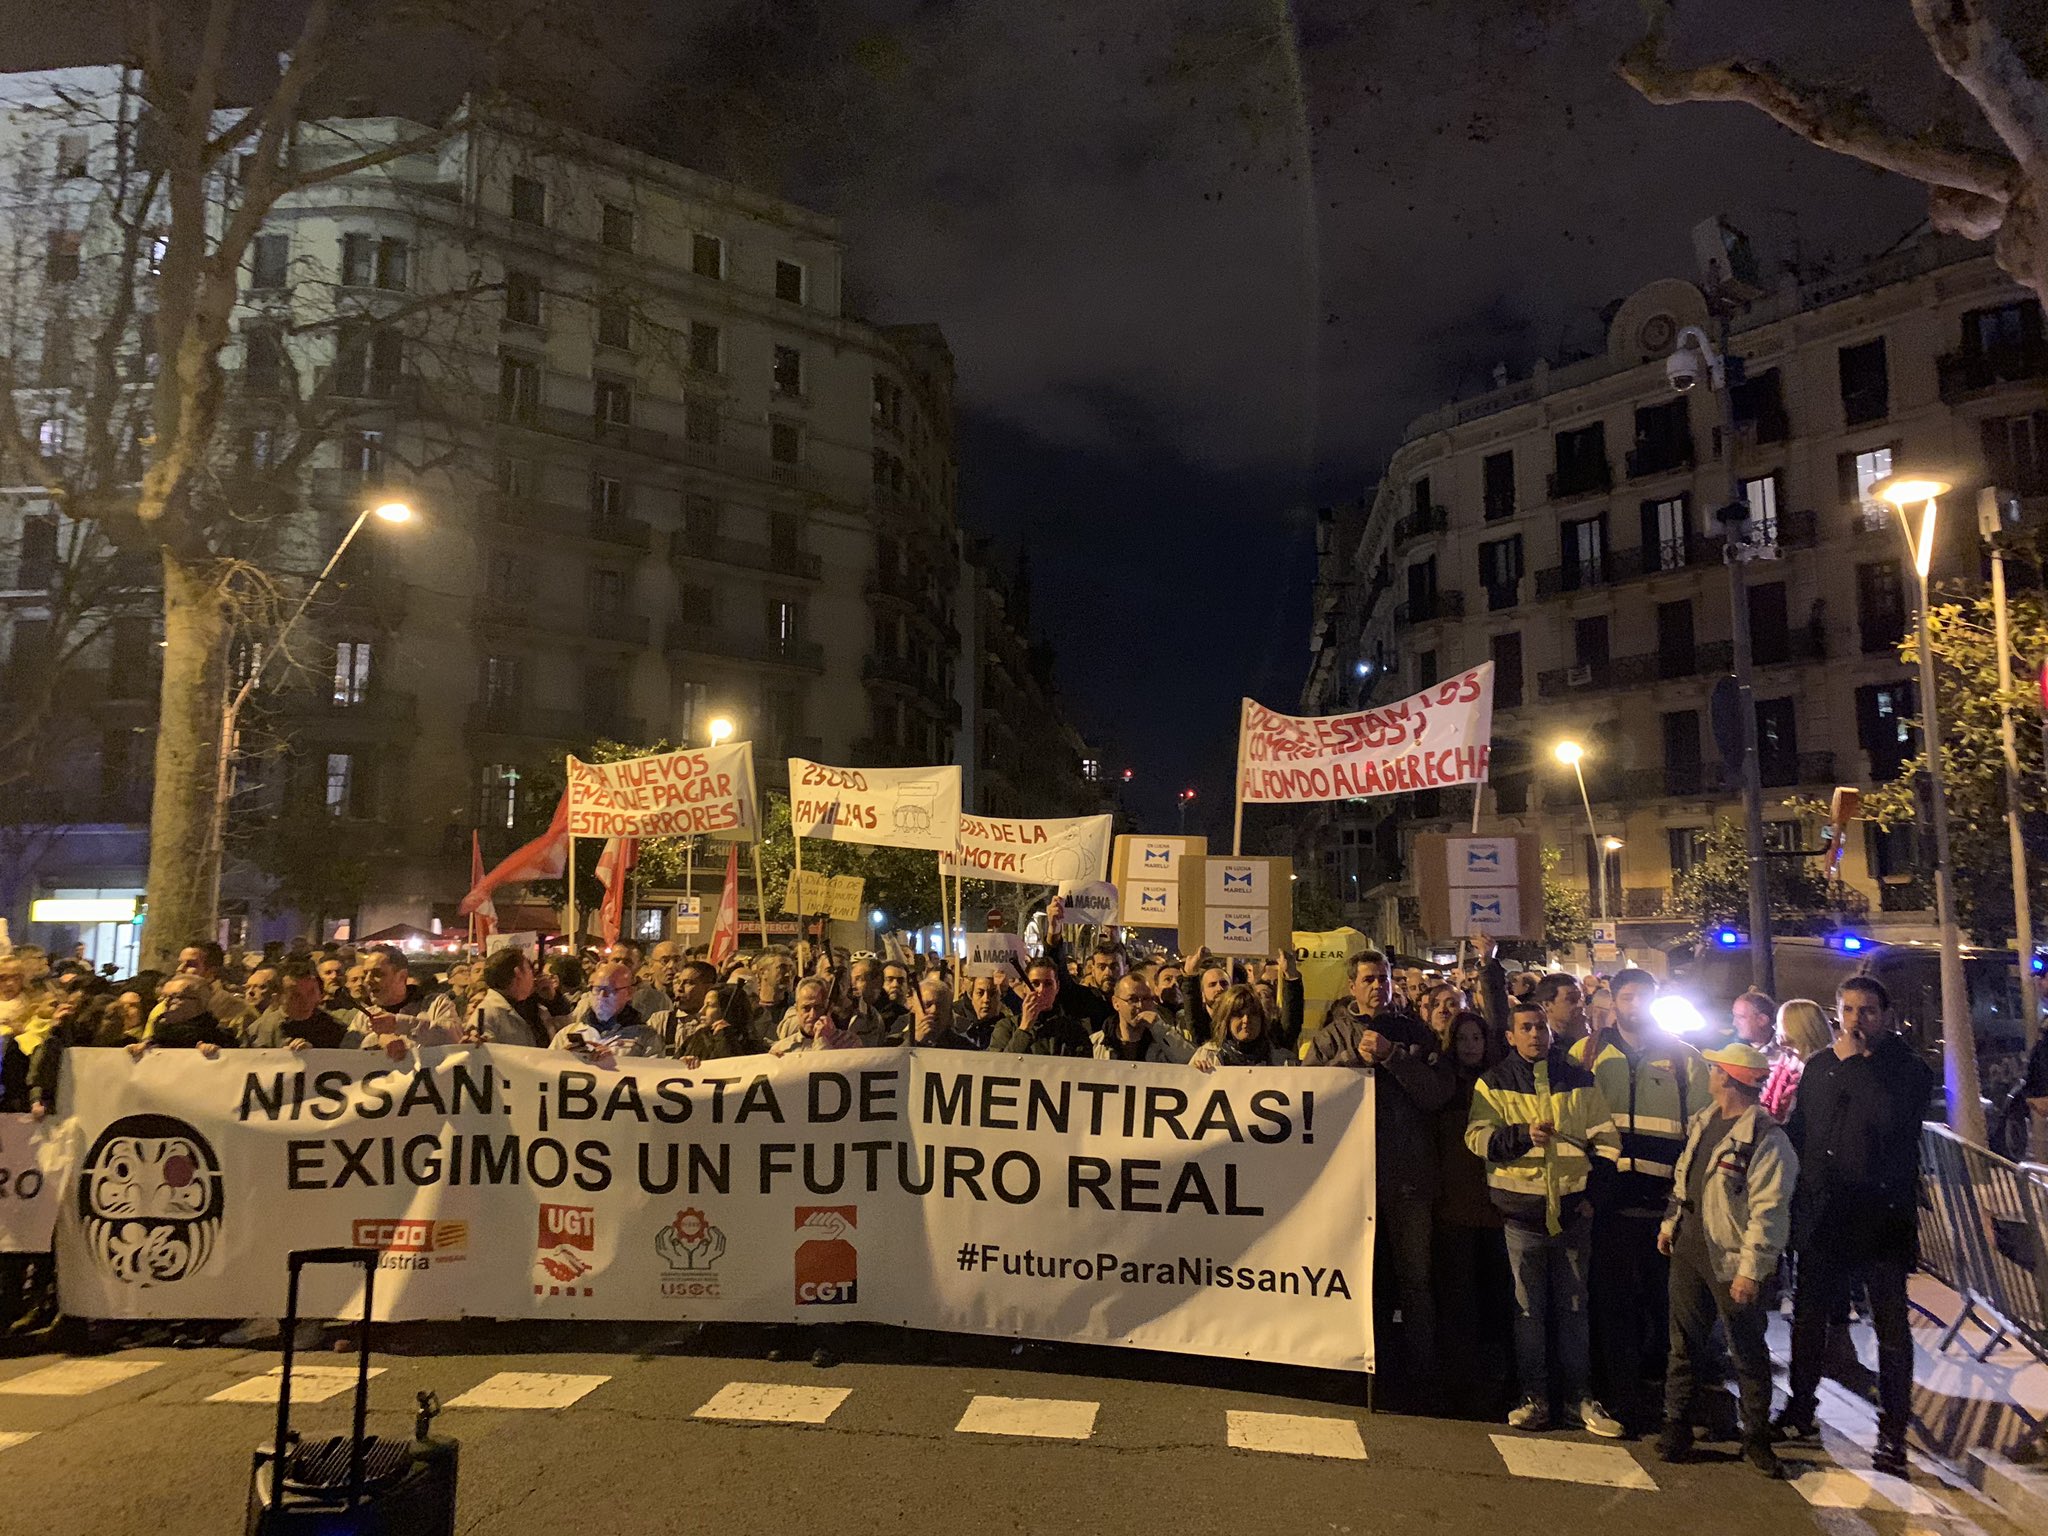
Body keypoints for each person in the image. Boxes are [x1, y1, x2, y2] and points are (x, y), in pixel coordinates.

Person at [1775, 976, 1933, 1478]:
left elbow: (1892, 1124)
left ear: (1886, 1015)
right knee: (1808, 1316)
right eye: (1848, 1010)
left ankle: (1892, 1433)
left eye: (1867, 1011)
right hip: (1824, 1212)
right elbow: (1804, 1130)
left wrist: (1858, 1067)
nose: (1856, 1020)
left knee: (1888, 1327)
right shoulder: (1821, 1065)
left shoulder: (1908, 1071)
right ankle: (1800, 1408)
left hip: (1880, 1216)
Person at [1466, 997, 1624, 1436]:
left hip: (1573, 1215)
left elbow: (1607, 1143)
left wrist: (1593, 1196)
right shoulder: (1493, 1082)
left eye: (1540, 1027)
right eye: (1526, 1028)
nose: (1535, 1034)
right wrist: (1520, 1136)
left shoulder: (1579, 1081)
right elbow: (1477, 1138)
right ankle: (1534, 1397)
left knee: (1574, 1310)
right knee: (1528, 1314)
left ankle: (1579, 1399)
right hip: (1521, 1218)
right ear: (1511, 1036)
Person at [1306, 950, 1455, 1394]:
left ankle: (1421, 1370)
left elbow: (1436, 1094)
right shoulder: (1330, 1038)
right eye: (1369, 979)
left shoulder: (1416, 1034)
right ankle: (1354, 1364)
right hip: (1350, 1181)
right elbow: (1307, 1093)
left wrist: (1393, 1057)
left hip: (1408, 1178)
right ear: (1352, 986)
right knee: (1352, 1278)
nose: (1378, 986)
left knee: (1416, 1281)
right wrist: (1349, 1061)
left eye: (1384, 979)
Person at [1656, 1041, 1798, 1477]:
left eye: (1715, 1069)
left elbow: (1768, 1212)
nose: (1710, 1074)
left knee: (1747, 1349)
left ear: (1728, 1079)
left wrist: (1750, 1271)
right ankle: (1675, 1425)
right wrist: (1670, 1223)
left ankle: (1755, 1437)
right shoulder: (1706, 1121)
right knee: (1684, 1342)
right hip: (1691, 1248)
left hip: (1730, 1259)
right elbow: (1687, 1178)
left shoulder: (1766, 1141)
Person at [1584, 966, 1712, 1434]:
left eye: (1645, 997)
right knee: (1613, 1306)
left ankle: (1670, 1399)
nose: (1636, 1005)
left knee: (1668, 1310)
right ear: (1613, 1002)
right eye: (1628, 997)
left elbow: (1700, 1136)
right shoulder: (1589, 1053)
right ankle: (1620, 1397)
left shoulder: (1687, 1060)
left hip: (1665, 1209)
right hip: (1610, 1206)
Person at [1434, 1009, 1512, 1418]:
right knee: (1458, 1301)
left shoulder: (1499, 1086)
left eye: (1476, 1040)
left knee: (1496, 1299)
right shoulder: (1442, 1084)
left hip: (1494, 1208)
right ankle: (1459, 1382)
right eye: (1462, 1039)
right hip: (1454, 1208)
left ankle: (1495, 1379)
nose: (1470, 1046)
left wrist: (1488, 969)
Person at [356, 945, 459, 1054]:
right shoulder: (363, 1016)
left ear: (402, 976)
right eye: (365, 974)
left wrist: (399, 1024)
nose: (367, 980)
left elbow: (454, 1037)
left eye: (377, 974)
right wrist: (377, 1039)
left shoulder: (435, 1004)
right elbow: (346, 1052)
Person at [550, 961, 664, 1060]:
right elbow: (546, 1071)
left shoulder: (646, 1039)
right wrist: (563, 1058)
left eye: (610, 990)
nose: (602, 996)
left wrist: (615, 1064)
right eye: (597, 989)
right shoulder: (567, 1034)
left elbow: (651, 1078)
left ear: (629, 993)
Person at [247, 962, 360, 1050]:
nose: (306, 1001)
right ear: (278, 998)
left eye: (311, 993)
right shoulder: (258, 1031)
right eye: (296, 996)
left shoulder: (335, 1029)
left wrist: (314, 1054)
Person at [997, 957, 1093, 1056]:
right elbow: (998, 1067)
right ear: (1025, 987)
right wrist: (1024, 1028)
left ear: (1057, 987)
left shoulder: (1075, 1031)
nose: (1041, 990)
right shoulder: (1006, 1027)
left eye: (1048, 984)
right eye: (1035, 983)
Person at [1091, 974, 1191, 1063]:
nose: (1140, 1005)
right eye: (1132, 999)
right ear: (1116, 1003)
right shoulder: (1097, 1043)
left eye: (1146, 999)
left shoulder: (1163, 1040)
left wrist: (1160, 1029)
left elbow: (1189, 1059)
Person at [1191, 983, 1291, 1070]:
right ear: (1226, 1020)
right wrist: (1196, 1075)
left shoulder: (1282, 1060)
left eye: (1252, 1014)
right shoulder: (1207, 1056)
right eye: (1238, 1014)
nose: (1246, 1020)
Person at [1761, 999, 1831, 1123]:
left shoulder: (1824, 1069)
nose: (1774, 1027)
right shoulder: (1786, 1063)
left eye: (1780, 1022)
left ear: (1797, 1026)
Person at [465, 948, 551, 1047]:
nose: (534, 977)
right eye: (529, 970)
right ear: (518, 973)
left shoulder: (533, 1008)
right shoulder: (485, 1015)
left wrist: (554, 1001)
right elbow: (482, 1056)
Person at [138, 974, 237, 1054]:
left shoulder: (219, 1037)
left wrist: (214, 1052)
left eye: (175, 997)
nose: (166, 1002)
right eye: (164, 997)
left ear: (201, 1001)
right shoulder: (160, 1035)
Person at [769, 977, 861, 1054]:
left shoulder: (849, 1042)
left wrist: (822, 1040)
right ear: (797, 1010)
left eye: (818, 1008)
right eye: (806, 1008)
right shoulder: (782, 1049)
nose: (812, 1015)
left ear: (830, 1009)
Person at [673, 987, 766, 1062]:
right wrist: (681, 1064)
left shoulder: (752, 1047)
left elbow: (734, 1066)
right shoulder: (694, 1040)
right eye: (703, 1005)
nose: (701, 1011)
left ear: (727, 1010)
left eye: (710, 1005)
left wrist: (725, 1037)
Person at [889, 975, 980, 1049]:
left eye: (940, 1005)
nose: (934, 1010)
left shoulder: (965, 1049)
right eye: (927, 1005)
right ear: (912, 1006)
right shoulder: (892, 1043)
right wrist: (915, 1042)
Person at [956, 974, 1014, 1050]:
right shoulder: (957, 1025)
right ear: (971, 997)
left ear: (1000, 997)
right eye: (980, 993)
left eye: (992, 993)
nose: (986, 999)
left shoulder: (1010, 1028)